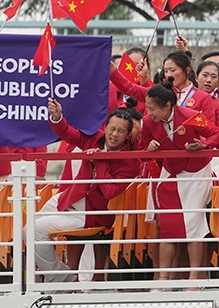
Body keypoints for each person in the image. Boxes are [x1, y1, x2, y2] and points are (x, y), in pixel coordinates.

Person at [36, 99, 141, 282]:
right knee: (26, 231)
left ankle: (61, 277)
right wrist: (57, 116)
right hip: (69, 198)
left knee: (36, 230)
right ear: (106, 127)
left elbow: (109, 192)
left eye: (121, 131)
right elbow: (68, 134)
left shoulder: (130, 162)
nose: (114, 134)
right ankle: (63, 275)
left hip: (92, 213)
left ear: (127, 136)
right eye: (112, 129)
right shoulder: (95, 138)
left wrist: (100, 160)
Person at [139, 81, 219, 281]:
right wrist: (149, 149)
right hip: (170, 173)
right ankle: (162, 278)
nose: (149, 113)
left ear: (167, 106)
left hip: (195, 173)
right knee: (168, 225)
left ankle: (194, 278)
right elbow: (141, 151)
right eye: (147, 108)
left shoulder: (192, 117)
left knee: (194, 225)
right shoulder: (147, 122)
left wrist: (203, 145)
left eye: (153, 108)